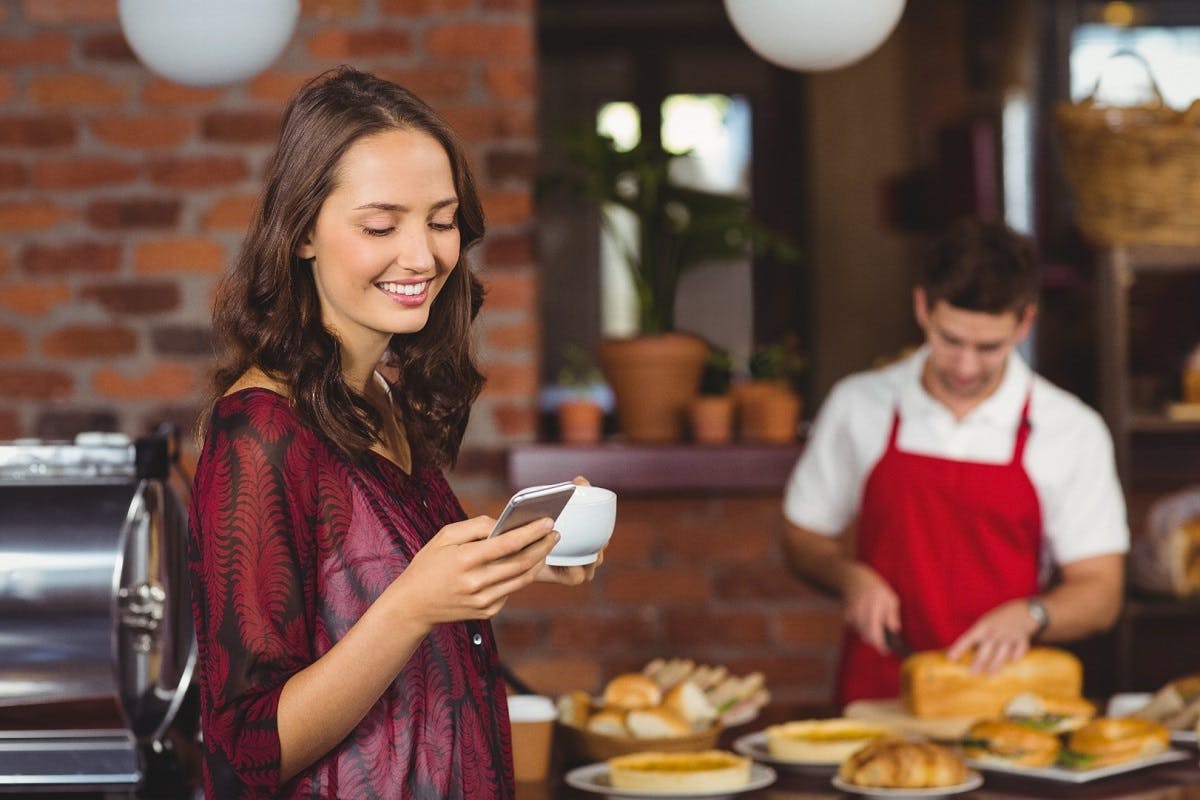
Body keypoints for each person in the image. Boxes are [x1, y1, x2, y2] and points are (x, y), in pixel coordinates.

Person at [188, 66, 598, 799]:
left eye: (441, 222)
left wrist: (510, 559)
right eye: (382, 225)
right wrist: (412, 604)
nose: (423, 256)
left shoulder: (377, 395)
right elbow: (244, 751)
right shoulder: (259, 431)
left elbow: (369, 586)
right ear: (304, 231)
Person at [781, 219, 1129, 705]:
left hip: (1006, 701)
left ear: (1025, 322)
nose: (966, 367)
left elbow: (1101, 592)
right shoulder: (859, 404)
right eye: (950, 340)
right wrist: (848, 576)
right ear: (922, 306)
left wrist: (1034, 615)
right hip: (879, 695)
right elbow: (802, 537)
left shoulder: (1071, 429)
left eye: (989, 347)